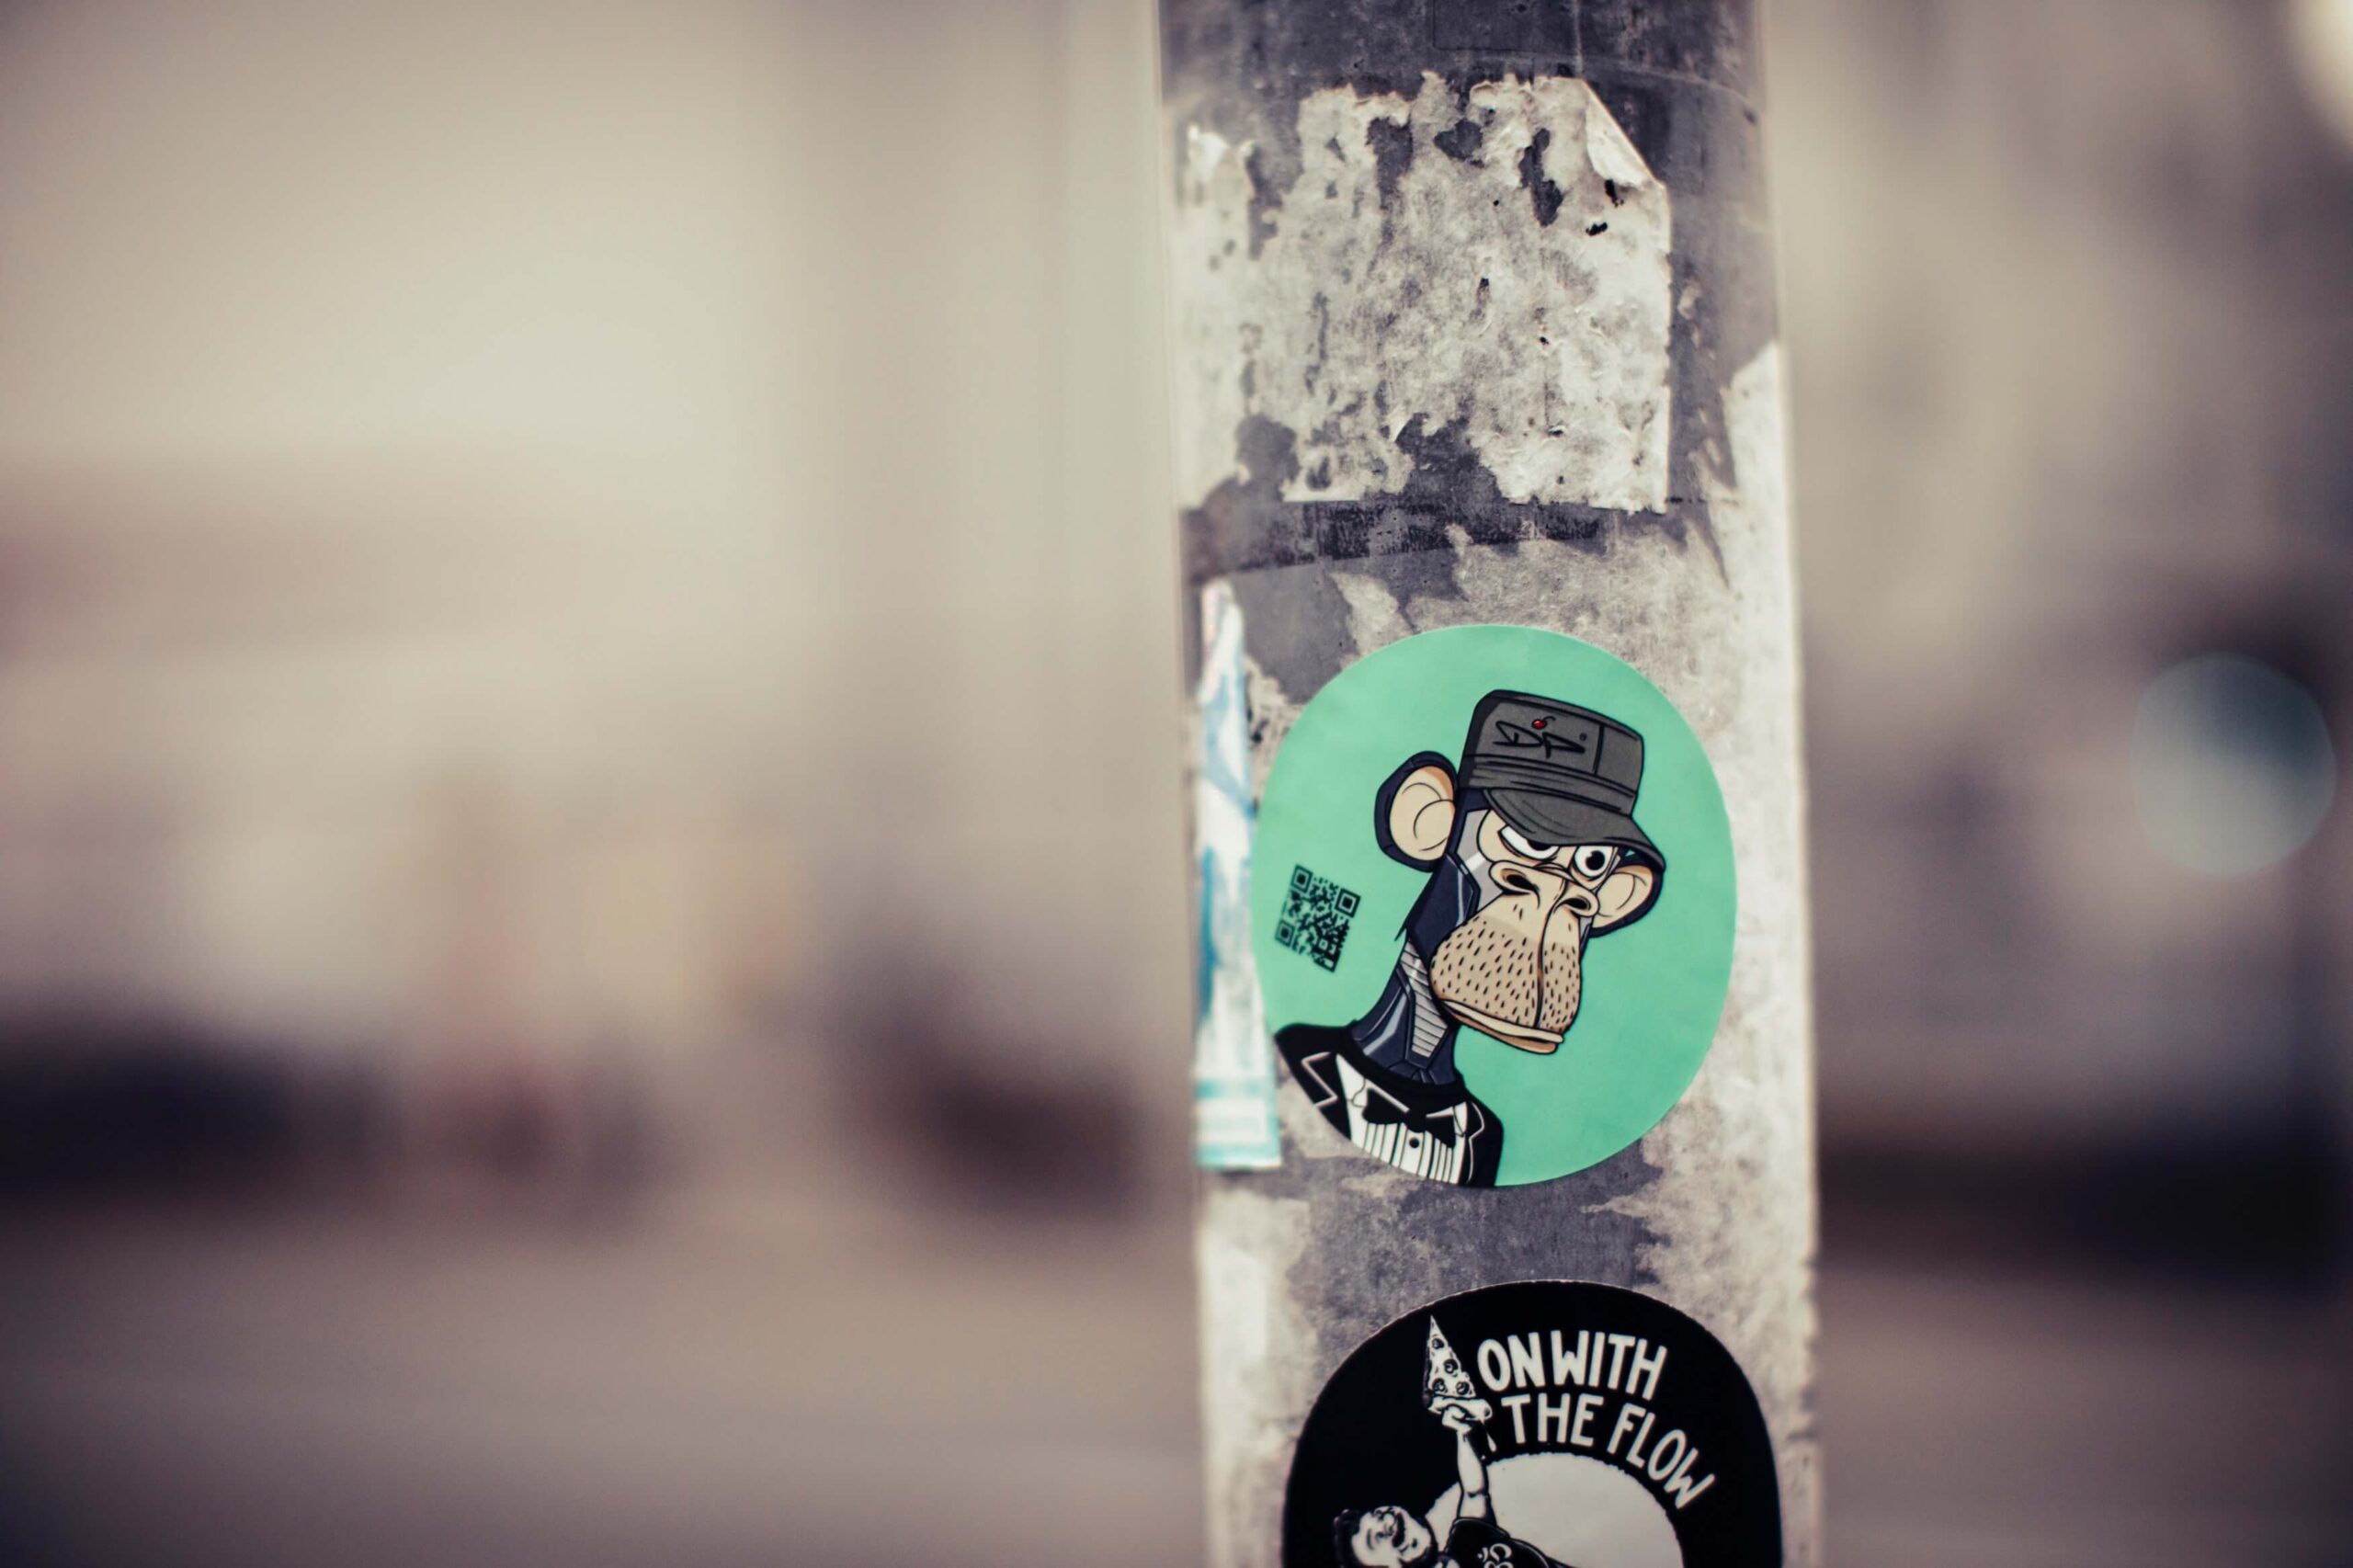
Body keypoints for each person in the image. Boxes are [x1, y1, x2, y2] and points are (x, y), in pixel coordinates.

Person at [1332, 1406, 1575, 1567]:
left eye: (1378, 1514)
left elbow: (1474, 1492)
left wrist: (1462, 1433)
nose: (1386, 1523)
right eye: (1376, 1538)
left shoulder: (1467, 1540)